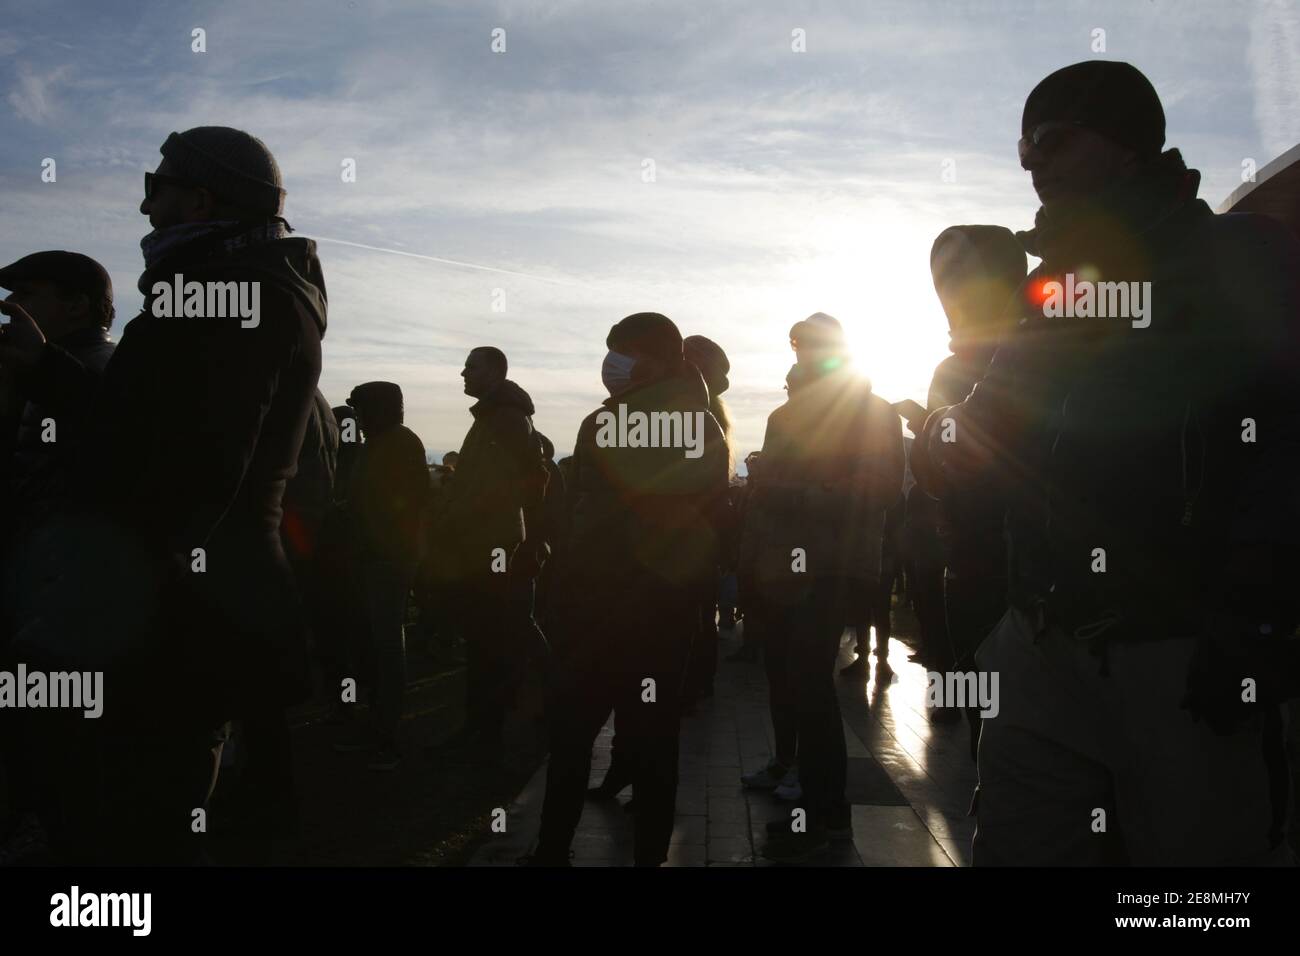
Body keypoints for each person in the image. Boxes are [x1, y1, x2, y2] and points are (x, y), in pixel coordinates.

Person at [917, 61, 1300, 865]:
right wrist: (946, 435)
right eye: (1026, 150)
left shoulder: (1242, 257)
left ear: (1128, 145)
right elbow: (989, 432)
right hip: (1038, 641)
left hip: (1182, 648)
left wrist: (1255, 617)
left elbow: (1284, 440)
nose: (1036, 164)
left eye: (1054, 141)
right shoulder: (1055, 290)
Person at [0, 126, 326, 864]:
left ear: (200, 199)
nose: (145, 208)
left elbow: (194, 474)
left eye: (157, 188)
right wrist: (49, 371)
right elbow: (164, 428)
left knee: (129, 822)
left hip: (171, 622)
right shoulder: (250, 287)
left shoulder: (228, 294)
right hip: (184, 610)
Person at [527, 312, 728, 866]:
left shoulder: (607, 424)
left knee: (573, 736)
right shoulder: (704, 426)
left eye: (625, 351)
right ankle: (648, 858)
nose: (613, 362)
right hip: (664, 611)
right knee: (653, 737)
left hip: (604, 609)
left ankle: (551, 849)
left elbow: (586, 518)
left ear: (661, 360)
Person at [741, 313, 904, 863]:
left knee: (809, 685)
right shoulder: (784, 415)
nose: (804, 352)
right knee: (793, 684)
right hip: (783, 568)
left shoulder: (872, 413)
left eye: (814, 344)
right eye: (797, 343)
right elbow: (766, 497)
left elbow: (879, 488)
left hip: (833, 567)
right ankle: (818, 810)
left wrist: (794, 493)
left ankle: (827, 816)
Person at [0, 251, 116, 865]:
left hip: (64, 604)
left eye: (28, 292)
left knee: (62, 750)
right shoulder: (37, 371)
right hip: (39, 593)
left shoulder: (101, 373)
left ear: (76, 305)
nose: (13, 305)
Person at [906, 225, 1026, 748]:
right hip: (973, 562)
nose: (949, 296)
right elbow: (940, 469)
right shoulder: (954, 366)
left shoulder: (1041, 359)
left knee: (1013, 727)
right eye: (943, 281)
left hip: (1021, 570)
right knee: (991, 724)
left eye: (959, 279)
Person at [429, 347, 548, 761]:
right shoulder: (494, 416)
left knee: (497, 637)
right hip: (487, 542)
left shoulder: (507, 418)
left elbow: (534, 479)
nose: (463, 372)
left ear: (496, 372)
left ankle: (494, 725)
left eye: (472, 366)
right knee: (491, 636)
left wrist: (531, 542)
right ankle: (486, 723)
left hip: (497, 546)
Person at [336, 381, 427, 771]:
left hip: (386, 559)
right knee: (376, 643)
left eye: (359, 409)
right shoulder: (382, 442)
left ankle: (388, 735)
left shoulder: (398, 444)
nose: (355, 417)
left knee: (387, 645)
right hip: (374, 557)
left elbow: (400, 506)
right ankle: (379, 724)